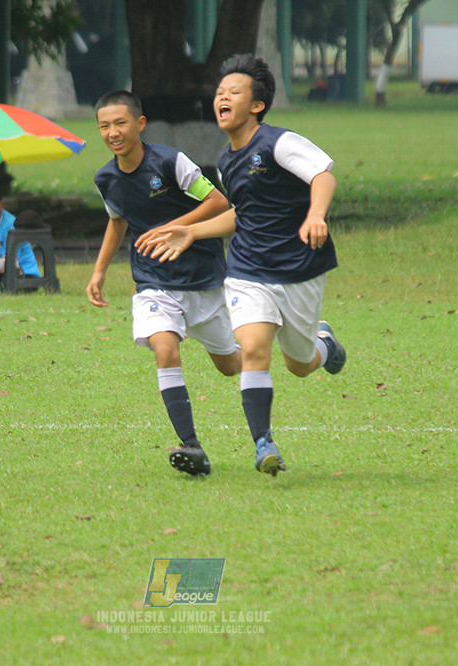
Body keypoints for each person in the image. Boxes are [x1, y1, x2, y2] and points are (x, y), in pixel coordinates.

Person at [137, 54, 347, 477]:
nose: (222, 98)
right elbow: (241, 214)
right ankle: (263, 443)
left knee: (300, 363)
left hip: (300, 268)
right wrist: (193, 232)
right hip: (248, 269)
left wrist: (316, 215)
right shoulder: (227, 161)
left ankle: (325, 346)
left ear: (257, 105)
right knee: (253, 350)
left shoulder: (278, 143)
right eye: (219, 93)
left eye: (233, 92)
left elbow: (323, 175)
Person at [87, 90, 241, 476]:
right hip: (153, 282)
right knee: (165, 349)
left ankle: (313, 341)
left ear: (139, 124)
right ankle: (192, 446)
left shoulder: (170, 162)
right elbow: (117, 220)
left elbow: (219, 203)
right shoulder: (106, 178)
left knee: (231, 365)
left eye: (120, 123)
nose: (112, 132)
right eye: (104, 126)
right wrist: (99, 270)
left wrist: (176, 227)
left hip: (204, 278)